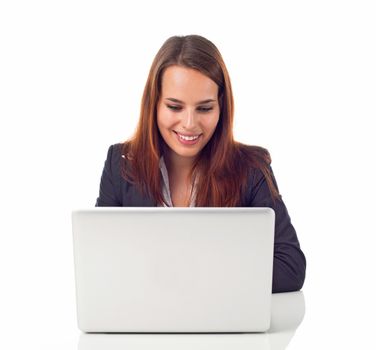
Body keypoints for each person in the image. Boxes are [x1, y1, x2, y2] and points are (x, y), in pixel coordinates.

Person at [96, 34, 306, 293]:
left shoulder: (252, 169)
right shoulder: (121, 165)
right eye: (174, 107)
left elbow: (290, 268)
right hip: (144, 327)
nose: (189, 124)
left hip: (223, 328)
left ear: (221, 108)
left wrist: (188, 277)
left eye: (204, 109)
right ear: (154, 106)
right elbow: (98, 262)